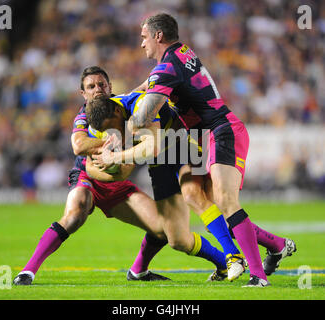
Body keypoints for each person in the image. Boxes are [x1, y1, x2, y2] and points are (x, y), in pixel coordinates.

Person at [127, 13, 296, 287]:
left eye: (144, 36)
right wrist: (121, 100)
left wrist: (125, 125)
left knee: (226, 203)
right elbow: (148, 86)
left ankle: (257, 275)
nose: (141, 43)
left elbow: (142, 117)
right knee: (196, 196)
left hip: (223, 131)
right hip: (204, 134)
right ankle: (274, 245)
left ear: (158, 36)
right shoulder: (180, 53)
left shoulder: (167, 68)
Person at [13, 67, 170, 285]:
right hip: (86, 175)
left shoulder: (124, 105)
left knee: (164, 229)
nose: (97, 90)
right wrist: (114, 141)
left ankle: (138, 271)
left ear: (110, 87)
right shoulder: (83, 114)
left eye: (101, 85)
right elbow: (78, 145)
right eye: (91, 86)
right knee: (76, 212)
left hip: (116, 181)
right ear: (83, 93)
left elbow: (144, 91)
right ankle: (27, 272)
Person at [88, 92, 245, 282]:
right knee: (177, 239)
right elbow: (122, 171)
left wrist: (114, 157)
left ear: (116, 110)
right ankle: (230, 261)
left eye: (113, 125)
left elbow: (151, 147)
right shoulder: (99, 127)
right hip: (159, 163)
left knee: (196, 197)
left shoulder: (141, 105)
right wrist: (110, 168)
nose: (115, 131)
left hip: (184, 142)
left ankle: (233, 255)